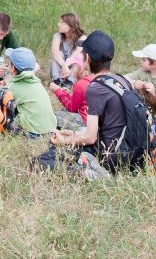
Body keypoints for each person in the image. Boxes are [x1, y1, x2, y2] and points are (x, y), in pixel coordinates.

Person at [44, 30, 136, 177]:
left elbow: (90, 137)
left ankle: (100, 175)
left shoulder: (95, 89)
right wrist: (74, 134)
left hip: (115, 154)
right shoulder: (120, 80)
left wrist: (65, 140)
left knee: (54, 156)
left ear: (87, 58)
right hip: (132, 148)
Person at [3, 47, 56, 138]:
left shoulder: (13, 86)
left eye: (10, 63)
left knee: (3, 110)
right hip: (51, 129)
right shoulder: (36, 81)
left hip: (34, 133)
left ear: (13, 68)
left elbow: (2, 97)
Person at [124, 44, 156, 129]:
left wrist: (153, 93)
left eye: (144, 60)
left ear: (154, 64)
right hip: (147, 106)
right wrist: (134, 82)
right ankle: (140, 112)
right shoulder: (142, 72)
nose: (140, 61)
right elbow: (123, 78)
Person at [50, 50, 91, 130]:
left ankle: (78, 129)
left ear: (80, 69)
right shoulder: (90, 80)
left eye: (73, 67)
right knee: (63, 110)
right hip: (91, 119)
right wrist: (63, 92)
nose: (71, 71)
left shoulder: (80, 85)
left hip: (84, 121)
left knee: (52, 116)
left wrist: (57, 91)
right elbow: (77, 102)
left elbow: (72, 108)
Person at [50, 13, 87, 86]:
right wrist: (64, 65)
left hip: (73, 68)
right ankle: (56, 80)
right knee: (58, 53)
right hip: (61, 67)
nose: (58, 24)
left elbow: (76, 54)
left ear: (71, 25)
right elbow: (54, 52)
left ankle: (69, 82)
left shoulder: (82, 37)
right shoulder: (57, 35)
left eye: (62, 23)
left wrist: (66, 65)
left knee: (79, 57)